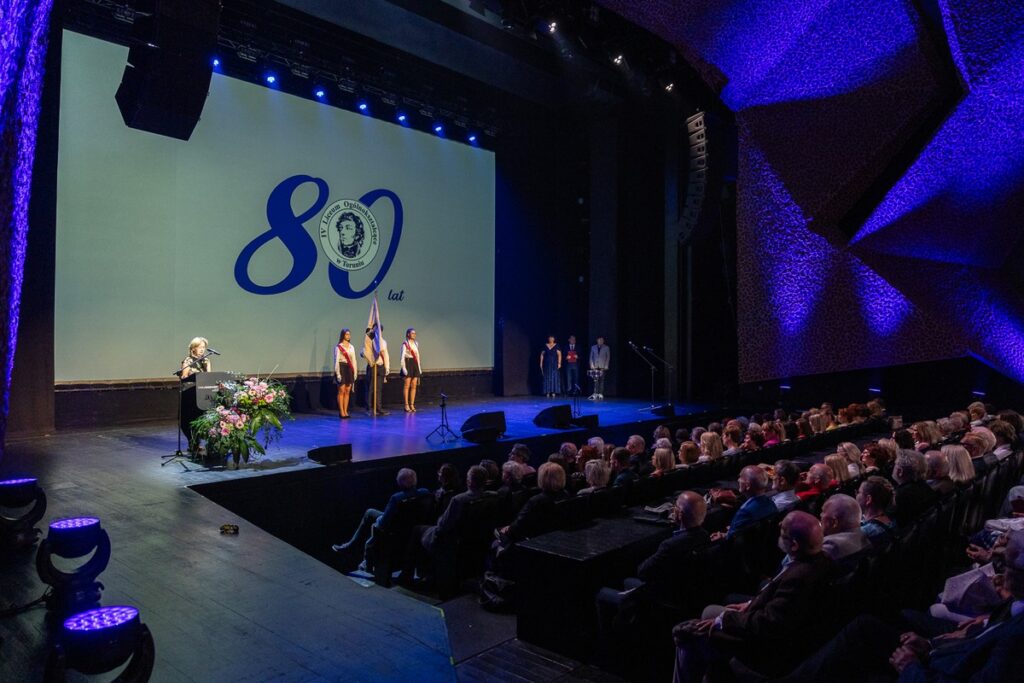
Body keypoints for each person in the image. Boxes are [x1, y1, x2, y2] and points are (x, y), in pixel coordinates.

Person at [752, 530, 1024, 682]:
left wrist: (912, 668)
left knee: (862, 633)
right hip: (942, 655)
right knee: (865, 626)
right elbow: (980, 640)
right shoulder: (1014, 610)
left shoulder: (1016, 639)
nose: (998, 573)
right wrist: (931, 645)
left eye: (1006, 566)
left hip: (932, 672)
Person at [673, 512, 837, 681]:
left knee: (687, 635)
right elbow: (782, 604)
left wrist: (723, 621)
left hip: (766, 650)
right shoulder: (821, 560)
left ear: (794, 545)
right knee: (709, 611)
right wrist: (751, 603)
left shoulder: (799, 578)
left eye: (783, 531)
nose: (779, 528)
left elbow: (768, 623)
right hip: (772, 628)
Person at [331, 467, 428, 571]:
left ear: (400, 482)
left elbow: (383, 523)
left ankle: (356, 553)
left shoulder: (396, 498)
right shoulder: (424, 492)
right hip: (410, 523)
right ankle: (350, 545)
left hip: (395, 527)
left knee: (375, 524)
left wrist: (378, 522)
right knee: (370, 512)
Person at [857, 476, 898, 552]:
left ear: (868, 499)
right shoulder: (891, 519)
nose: (856, 495)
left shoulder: (865, 532)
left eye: (859, 492)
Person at [363, 325, 390, 416]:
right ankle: (369, 409)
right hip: (372, 366)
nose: (377, 331)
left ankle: (379, 408)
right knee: (370, 388)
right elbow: (362, 352)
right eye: (375, 330)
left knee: (379, 389)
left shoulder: (383, 342)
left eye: (379, 330)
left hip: (381, 366)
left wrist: (387, 368)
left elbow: (386, 355)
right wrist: (366, 354)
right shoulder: (369, 341)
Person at [333, 328, 357, 419]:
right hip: (341, 368)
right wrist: (338, 374)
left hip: (349, 369)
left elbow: (354, 360)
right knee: (341, 391)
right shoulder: (339, 347)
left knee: (347, 391)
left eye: (349, 334)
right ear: (343, 335)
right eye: (347, 334)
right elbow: (336, 361)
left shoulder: (351, 347)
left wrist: (355, 372)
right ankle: (341, 411)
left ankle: (346, 411)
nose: (348, 336)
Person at [399, 328, 421, 412]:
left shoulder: (416, 343)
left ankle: (412, 404)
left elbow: (417, 355)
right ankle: (406, 405)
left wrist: (419, 367)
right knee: (407, 385)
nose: (414, 335)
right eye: (412, 333)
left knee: (414, 385)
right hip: (407, 363)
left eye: (415, 333)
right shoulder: (404, 344)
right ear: (408, 334)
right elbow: (402, 357)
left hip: (414, 364)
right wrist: (403, 368)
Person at [589, 335, 610, 400]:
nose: (601, 341)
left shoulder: (606, 347)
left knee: (601, 380)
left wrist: (606, 366)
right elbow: (591, 357)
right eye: (599, 340)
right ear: (597, 340)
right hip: (595, 366)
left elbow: (608, 357)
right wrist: (591, 365)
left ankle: (600, 393)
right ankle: (595, 393)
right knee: (595, 380)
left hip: (602, 366)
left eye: (602, 340)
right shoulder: (593, 347)